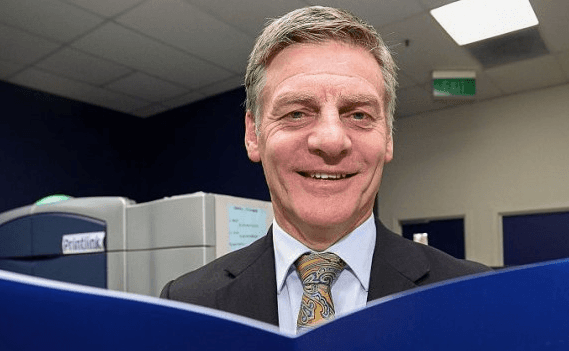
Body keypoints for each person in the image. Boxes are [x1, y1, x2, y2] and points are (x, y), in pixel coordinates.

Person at [160, 6, 488, 333]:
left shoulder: (476, 297)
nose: (331, 140)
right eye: (296, 113)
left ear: (388, 137)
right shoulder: (188, 304)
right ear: (253, 134)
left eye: (358, 115)